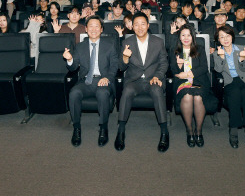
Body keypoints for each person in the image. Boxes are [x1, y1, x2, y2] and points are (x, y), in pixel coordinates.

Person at [115, 12, 169, 152]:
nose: (140, 27)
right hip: (135, 80)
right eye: (136, 24)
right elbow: (121, 67)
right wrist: (125, 58)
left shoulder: (158, 42)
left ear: (148, 25)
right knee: (126, 91)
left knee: (157, 90)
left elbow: (164, 63)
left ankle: (164, 131)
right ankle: (121, 130)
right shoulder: (127, 42)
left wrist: (158, 75)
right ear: (132, 27)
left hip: (153, 79)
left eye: (143, 24)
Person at [63, 16, 119, 147]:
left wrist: (108, 78)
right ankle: (76, 128)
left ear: (101, 29)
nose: (94, 29)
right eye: (91, 26)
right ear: (86, 29)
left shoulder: (110, 45)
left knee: (103, 94)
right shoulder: (80, 46)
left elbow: (114, 65)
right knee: (74, 93)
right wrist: (70, 59)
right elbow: (72, 67)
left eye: (97, 26)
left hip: (103, 80)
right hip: (85, 81)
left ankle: (103, 128)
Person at [169, 25, 217, 148]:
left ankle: (199, 131)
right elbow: (173, 71)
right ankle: (189, 131)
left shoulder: (199, 48)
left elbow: (204, 67)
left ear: (192, 37)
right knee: (188, 96)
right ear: (179, 37)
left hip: (199, 80)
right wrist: (179, 66)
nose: (186, 38)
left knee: (198, 98)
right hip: (182, 82)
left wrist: (188, 73)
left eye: (188, 35)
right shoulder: (175, 51)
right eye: (183, 35)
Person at [213, 25, 245, 148]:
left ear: (232, 36)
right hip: (230, 81)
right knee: (234, 95)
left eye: (227, 36)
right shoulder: (217, 52)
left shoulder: (240, 49)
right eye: (222, 37)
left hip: (244, 80)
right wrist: (222, 57)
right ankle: (234, 130)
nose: (225, 39)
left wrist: (243, 59)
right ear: (219, 40)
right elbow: (218, 69)